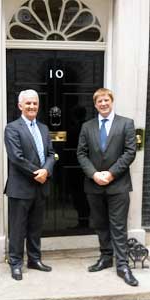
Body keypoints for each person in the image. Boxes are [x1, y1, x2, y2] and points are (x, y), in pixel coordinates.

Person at [77, 88, 138, 286]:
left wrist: (111, 173)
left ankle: (122, 265)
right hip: (94, 185)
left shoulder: (126, 123)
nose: (103, 104)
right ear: (95, 105)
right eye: (99, 101)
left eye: (106, 100)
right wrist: (94, 174)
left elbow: (130, 152)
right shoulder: (87, 126)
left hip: (118, 185)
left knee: (118, 227)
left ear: (112, 101)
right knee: (100, 224)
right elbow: (81, 154)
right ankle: (105, 257)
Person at [4, 89, 55, 280]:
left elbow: (51, 153)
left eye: (35, 103)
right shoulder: (12, 128)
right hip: (20, 188)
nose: (32, 106)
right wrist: (38, 173)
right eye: (28, 103)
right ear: (20, 106)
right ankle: (15, 263)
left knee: (35, 227)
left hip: (40, 187)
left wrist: (46, 170)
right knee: (18, 228)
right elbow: (16, 158)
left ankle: (34, 259)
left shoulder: (43, 128)